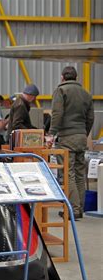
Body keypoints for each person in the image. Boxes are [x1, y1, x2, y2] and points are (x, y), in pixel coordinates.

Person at [49, 66, 94, 220]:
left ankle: (73, 209)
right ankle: (79, 208)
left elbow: (57, 113)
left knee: (68, 173)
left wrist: (51, 133)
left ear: (62, 77)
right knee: (80, 173)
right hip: (81, 136)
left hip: (66, 137)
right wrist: (83, 133)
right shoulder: (86, 93)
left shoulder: (61, 91)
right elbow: (90, 118)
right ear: (75, 77)